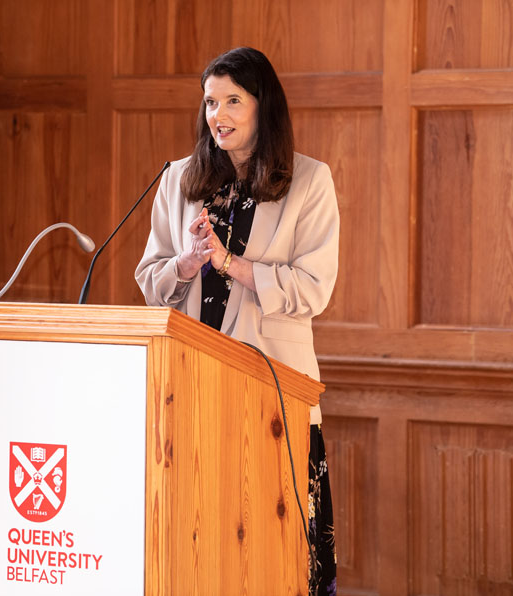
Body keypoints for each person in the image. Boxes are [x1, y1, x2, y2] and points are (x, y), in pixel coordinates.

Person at [135, 46, 339, 595]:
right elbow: (150, 277)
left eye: (232, 101)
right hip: (190, 386)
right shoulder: (180, 179)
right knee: (199, 538)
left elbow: (314, 289)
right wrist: (189, 262)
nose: (217, 116)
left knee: (273, 546)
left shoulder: (309, 182)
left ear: (262, 106)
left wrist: (231, 263)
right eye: (209, 103)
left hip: (273, 386)